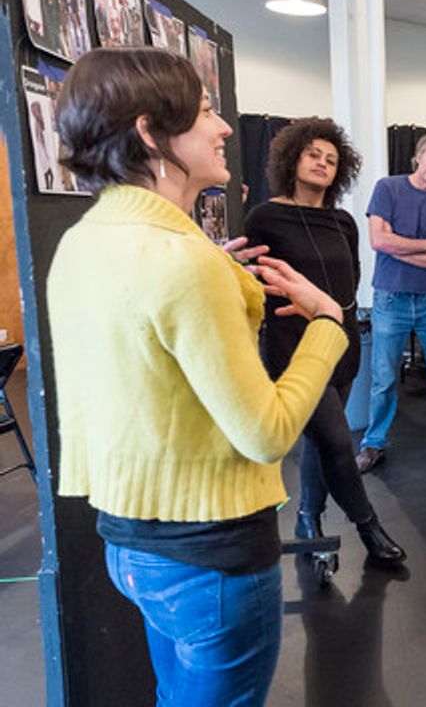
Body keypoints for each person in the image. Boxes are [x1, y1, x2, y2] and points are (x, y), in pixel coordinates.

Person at [47, 48, 348, 705]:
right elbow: (266, 434)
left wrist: (221, 278)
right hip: (210, 556)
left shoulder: (85, 240)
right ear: (152, 133)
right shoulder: (184, 261)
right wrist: (329, 322)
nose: (224, 127)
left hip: (131, 545)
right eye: (206, 112)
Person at [244, 118, 405, 567]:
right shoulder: (264, 217)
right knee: (335, 440)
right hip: (293, 347)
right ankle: (368, 526)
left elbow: (351, 277)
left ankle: (308, 520)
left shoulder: (344, 221)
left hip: (342, 343)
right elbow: (253, 282)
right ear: (291, 159)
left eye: (331, 160)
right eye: (313, 154)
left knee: (321, 442)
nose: (322, 163)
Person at [356, 134, 426, 473]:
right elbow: (378, 240)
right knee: (383, 378)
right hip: (391, 296)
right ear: (418, 157)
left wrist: (400, 247)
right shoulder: (387, 188)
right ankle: (373, 443)